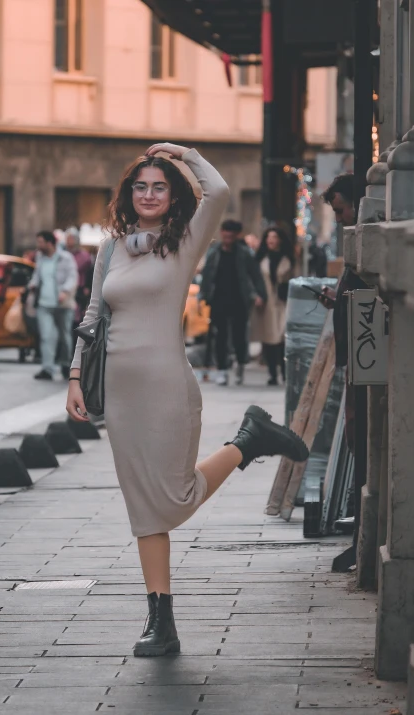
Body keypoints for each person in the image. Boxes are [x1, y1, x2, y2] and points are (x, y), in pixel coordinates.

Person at [66, 142, 309, 658]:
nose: (149, 194)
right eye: (141, 186)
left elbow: (217, 190)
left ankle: (247, 441)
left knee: (173, 496)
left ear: (173, 197)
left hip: (167, 386)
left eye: (159, 186)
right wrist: (73, 379)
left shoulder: (184, 242)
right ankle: (161, 620)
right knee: (143, 508)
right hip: (120, 393)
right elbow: (91, 318)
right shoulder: (111, 248)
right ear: (128, 195)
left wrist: (183, 154)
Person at [321, 172, 366, 451]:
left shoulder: (364, 243)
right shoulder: (356, 243)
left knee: (357, 421)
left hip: (363, 351)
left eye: (340, 210)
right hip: (356, 353)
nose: (338, 219)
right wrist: (338, 300)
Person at [200, 219, 266, 386]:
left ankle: (240, 366)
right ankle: (222, 370)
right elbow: (207, 275)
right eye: (225, 233)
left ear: (237, 235)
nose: (227, 237)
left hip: (239, 299)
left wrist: (260, 294)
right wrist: (203, 295)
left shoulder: (244, 253)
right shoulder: (214, 252)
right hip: (218, 299)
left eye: (231, 235)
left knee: (239, 336)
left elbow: (255, 275)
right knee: (219, 336)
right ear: (222, 233)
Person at [28, 230, 78, 381]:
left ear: (50, 243)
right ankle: (47, 368)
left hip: (62, 304)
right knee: (46, 336)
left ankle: (65, 364)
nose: (38, 245)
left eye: (41, 242)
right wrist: (32, 285)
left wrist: (65, 291)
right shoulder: (40, 258)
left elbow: (72, 277)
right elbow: (37, 276)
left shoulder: (66, 258)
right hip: (44, 303)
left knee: (64, 337)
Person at [252, 227, 295, 386]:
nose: (271, 240)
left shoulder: (287, 258)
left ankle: (284, 372)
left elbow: (292, 279)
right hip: (266, 304)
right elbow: (255, 280)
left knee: (283, 338)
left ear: (280, 240)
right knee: (269, 339)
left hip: (283, 302)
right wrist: (256, 295)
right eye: (268, 237)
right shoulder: (260, 258)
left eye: (274, 236)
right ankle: (272, 374)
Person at [65, 227, 94, 338]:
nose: (69, 241)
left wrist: (87, 288)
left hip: (79, 290)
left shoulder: (84, 256)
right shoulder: (62, 255)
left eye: (71, 238)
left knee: (78, 320)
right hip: (66, 291)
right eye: (68, 238)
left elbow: (90, 272)